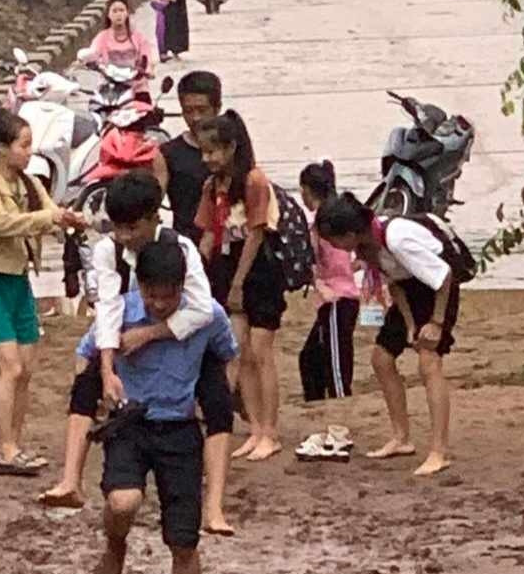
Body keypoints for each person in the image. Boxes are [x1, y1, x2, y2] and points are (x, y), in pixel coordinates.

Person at [38, 171, 236, 535]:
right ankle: (70, 480)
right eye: (118, 228)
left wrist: (150, 334)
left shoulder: (182, 249)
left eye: (132, 228)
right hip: (125, 330)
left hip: (183, 334)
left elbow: (202, 310)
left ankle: (215, 508)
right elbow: (109, 307)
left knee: (218, 403)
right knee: (85, 383)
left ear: (153, 218)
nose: (125, 237)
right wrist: (108, 368)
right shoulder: (108, 250)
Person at [90, 240, 238, 574]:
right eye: (151, 295)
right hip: (130, 424)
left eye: (167, 297)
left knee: (184, 540)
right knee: (123, 502)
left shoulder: (207, 314)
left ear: (183, 286)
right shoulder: (118, 313)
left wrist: (222, 403)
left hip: (180, 428)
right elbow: (86, 356)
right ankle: (115, 545)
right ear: (139, 285)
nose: (158, 305)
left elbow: (229, 355)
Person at [0, 107, 87, 475]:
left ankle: (15, 444)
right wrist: (48, 218)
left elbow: (50, 212)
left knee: (27, 370)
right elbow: (2, 225)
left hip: (18, 281)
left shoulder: (28, 182)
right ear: (2, 147)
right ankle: (6, 449)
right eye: (24, 145)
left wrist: (68, 218)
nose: (29, 152)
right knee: (10, 368)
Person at [314, 193, 462, 476]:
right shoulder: (369, 246)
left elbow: (444, 277)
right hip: (409, 288)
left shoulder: (396, 238)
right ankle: (401, 437)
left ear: (350, 233)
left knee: (428, 361)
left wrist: (436, 323)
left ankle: (438, 452)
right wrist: (408, 323)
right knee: (381, 358)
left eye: (334, 241)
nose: (334, 247)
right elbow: (393, 283)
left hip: (439, 287)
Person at [196, 111, 286, 462]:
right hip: (226, 266)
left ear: (231, 148)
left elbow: (255, 234)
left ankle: (272, 431)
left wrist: (237, 284)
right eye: (204, 153)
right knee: (241, 351)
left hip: (258, 271)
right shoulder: (212, 187)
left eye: (213, 152)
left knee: (262, 352)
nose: (208, 159)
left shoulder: (253, 181)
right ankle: (256, 429)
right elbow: (207, 234)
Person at [297, 161, 359, 404]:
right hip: (340, 296)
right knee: (309, 357)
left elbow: (308, 260)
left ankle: (340, 403)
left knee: (336, 360)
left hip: (337, 299)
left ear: (307, 191)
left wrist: (319, 283)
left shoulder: (321, 226)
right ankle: (316, 403)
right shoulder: (337, 220)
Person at [152, 70, 222, 241]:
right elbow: (154, 200)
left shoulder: (232, 145)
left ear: (217, 108)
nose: (195, 118)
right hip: (188, 242)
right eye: (188, 111)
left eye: (202, 110)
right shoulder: (168, 154)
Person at [87, 0, 155, 93]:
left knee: (145, 108)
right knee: (96, 107)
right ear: (108, 15)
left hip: (137, 87)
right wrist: (89, 61)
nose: (118, 14)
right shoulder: (101, 38)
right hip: (109, 87)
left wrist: (149, 70)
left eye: (122, 10)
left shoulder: (138, 38)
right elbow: (92, 54)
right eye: (114, 11)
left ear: (127, 13)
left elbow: (147, 57)